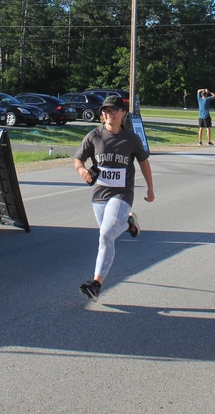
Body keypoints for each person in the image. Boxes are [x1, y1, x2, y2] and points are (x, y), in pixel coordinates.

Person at [74, 95, 154, 302]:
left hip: (122, 193)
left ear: (122, 113)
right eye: (105, 111)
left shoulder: (131, 139)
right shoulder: (94, 137)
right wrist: (82, 170)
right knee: (107, 238)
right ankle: (128, 225)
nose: (108, 114)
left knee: (106, 235)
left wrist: (150, 188)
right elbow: (78, 160)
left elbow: (144, 162)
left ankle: (96, 284)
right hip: (99, 194)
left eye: (113, 110)